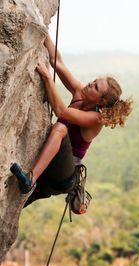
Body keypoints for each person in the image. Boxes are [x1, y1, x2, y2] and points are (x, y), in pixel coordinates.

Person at [10, 34, 132, 207]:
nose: (90, 83)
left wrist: (46, 78)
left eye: (96, 87)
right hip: (51, 172)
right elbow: (56, 60)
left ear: (101, 102)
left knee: (60, 128)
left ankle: (30, 179)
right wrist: (43, 32)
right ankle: (32, 184)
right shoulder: (80, 93)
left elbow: (61, 111)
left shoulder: (96, 119)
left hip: (64, 176)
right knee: (12, 206)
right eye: (94, 81)